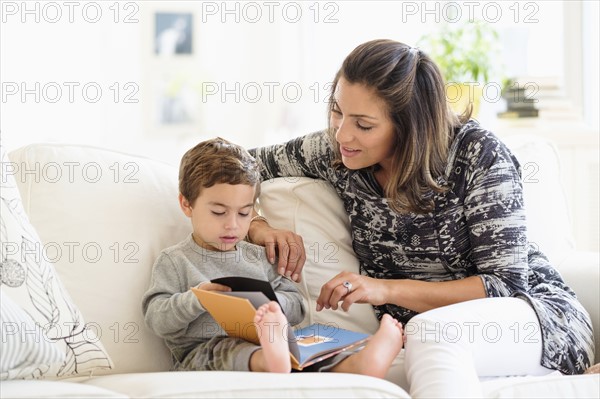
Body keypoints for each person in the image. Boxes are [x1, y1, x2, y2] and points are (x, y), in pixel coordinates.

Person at [247, 40, 595, 396]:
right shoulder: (337, 151)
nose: (341, 134)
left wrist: (383, 289)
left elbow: (505, 285)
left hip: (533, 318)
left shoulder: (478, 155)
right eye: (337, 111)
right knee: (420, 347)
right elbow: (232, 165)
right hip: (426, 341)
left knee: (430, 335)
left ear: (411, 126)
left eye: (364, 125)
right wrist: (256, 225)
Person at [142, 137, 403, 375]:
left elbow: (298, 306)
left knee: (308, 351)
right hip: (205, 352)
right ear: (186, 204)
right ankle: (271, 361)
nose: (232, 225)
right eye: (219, 212)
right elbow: (157, 319)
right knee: (229, 349)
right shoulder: (175, 261)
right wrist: (197, 298)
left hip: (271, 339)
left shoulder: (259, 258)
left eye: (244, 213)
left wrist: (270, 306)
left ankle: (362, 362)